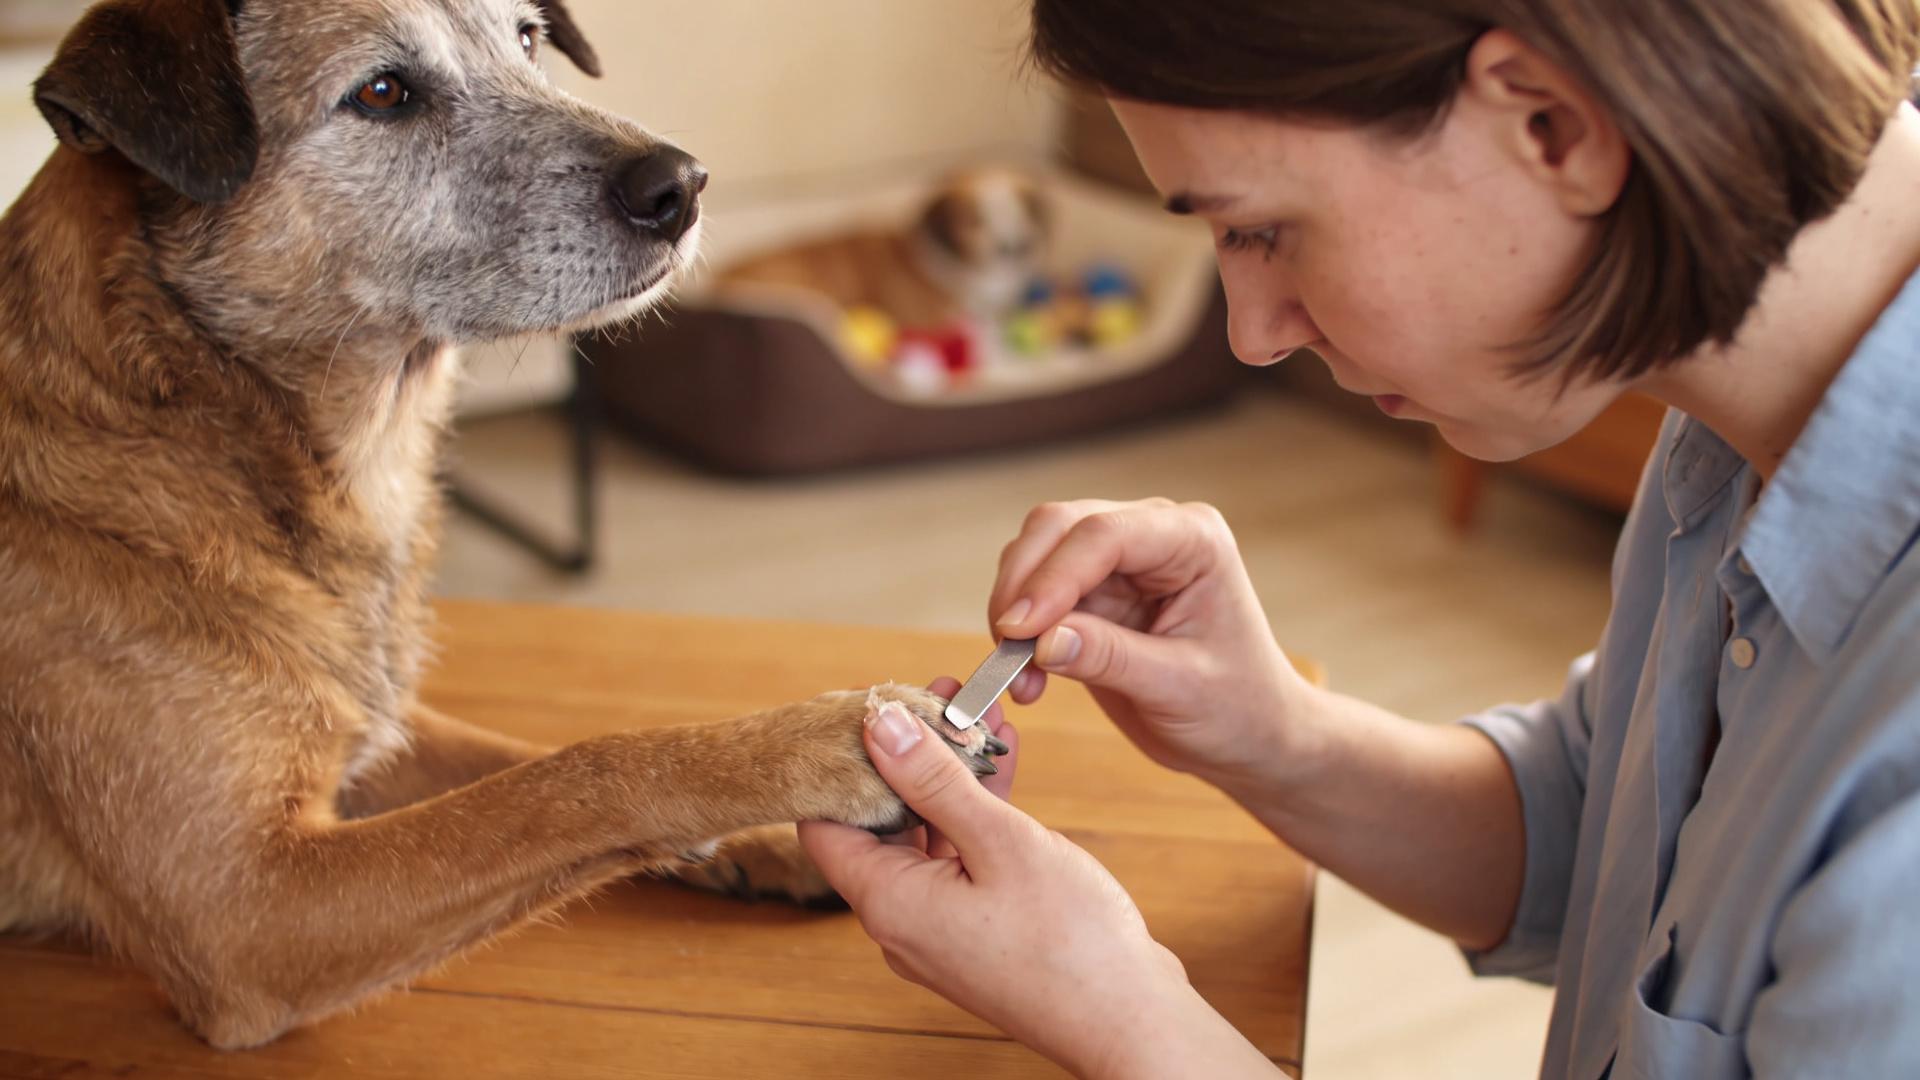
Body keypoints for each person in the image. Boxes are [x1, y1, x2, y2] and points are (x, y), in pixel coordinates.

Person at [796, 1, 1920, 1076]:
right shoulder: (1719, 409)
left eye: (1262, 229)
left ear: (1550, 124)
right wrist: (1271, 732)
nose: (1252, 333)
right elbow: (1613, 846)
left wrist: (1128, 1026)